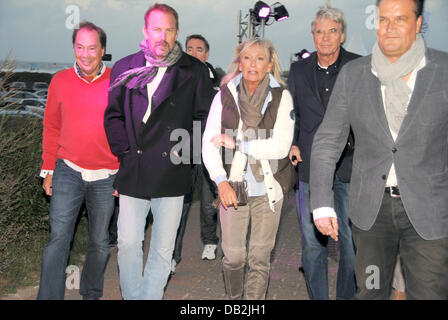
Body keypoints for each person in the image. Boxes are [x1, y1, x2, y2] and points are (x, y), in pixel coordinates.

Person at [309, 0, 448, 300]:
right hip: (371, 214)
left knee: (430, 294)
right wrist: (321, 201)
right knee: (371, 291)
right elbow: (328, 140)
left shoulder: (444, 71)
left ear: (418, 22)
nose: (390, 27)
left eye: (400, 19)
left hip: (430, 213)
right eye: (384, 19)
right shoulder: (355, 74)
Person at [104, 3, 213, 300]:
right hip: (134, 167)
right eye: (156, 29)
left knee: (163, 251)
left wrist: (183, 155)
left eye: (168, 30)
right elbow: (113, 115)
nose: (162, 36)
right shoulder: (126, 67)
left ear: (176, 32)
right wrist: (124, 150)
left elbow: (203, 118)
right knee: (127, 243)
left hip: (171, 171)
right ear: (145, 31)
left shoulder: (194, 70)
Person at [202, 38, 296, 300]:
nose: (252, 63)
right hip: (233, 185)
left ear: (269, 64)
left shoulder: (282, 96)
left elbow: (280, 147)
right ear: (239, 62)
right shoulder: (224, 95)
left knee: (259, 258)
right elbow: (208, 142)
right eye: (247, 57)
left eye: (259, 58)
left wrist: (238, 144)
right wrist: (220, 181)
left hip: (268, 189)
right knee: (233, 257)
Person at [37, 21, 119, 300]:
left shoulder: (117, 82)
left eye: (92, 48)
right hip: (67, 170)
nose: (85, 54)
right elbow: (51, 126)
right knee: (59, 239)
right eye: (79, 47)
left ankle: (91, 293)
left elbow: (128, 129)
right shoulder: (59, 81)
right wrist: (48, 169)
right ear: (74, 48)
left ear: (103, 50)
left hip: (107, 175)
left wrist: (126, 171)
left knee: (99, 242)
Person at [287, 5, 359, 300]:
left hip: (350, 167)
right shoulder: (298, 70)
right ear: (312, 36)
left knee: (351, 245)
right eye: (319, 32)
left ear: (342, 35)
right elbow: (294, 114)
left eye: (332, 31)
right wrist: (292, 141)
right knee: (312, 245)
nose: (325, 37)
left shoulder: (358, 67)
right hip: (310, 169)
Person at [171, 34, 221, 274]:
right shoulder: (174, 78)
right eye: (188, 49)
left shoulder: (219, 81)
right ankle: (173, 254)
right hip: (183, 143)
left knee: (210, 200)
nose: (193, 53)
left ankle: (210, 241)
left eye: (199, 49)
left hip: (212, 145)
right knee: (179, 201)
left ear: (207, 54)